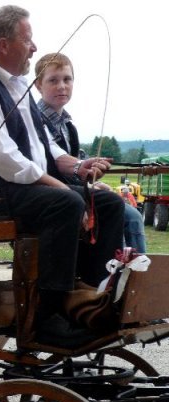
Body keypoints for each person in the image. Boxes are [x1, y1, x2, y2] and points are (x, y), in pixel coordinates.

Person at [0, 5, 124, 348]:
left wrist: (78, 171)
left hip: (17, 189)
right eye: (28, 39)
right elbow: (3, 157)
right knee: (65, 204)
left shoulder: (17, 86)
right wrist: (64, 188)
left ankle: (91, 299)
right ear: (3, 45)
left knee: (109, 204)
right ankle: (48, 317)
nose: (35, 47)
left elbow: (44, 146)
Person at [34, 52, 147, 253]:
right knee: (126, 215)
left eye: (67, 79)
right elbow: (52, 161)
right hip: (50, 194)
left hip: (71, 191)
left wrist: (91, 184)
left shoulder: (68, 126)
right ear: (38, 85)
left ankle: (133, 273)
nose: (62, 86)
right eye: (53, 80)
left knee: (133, 216)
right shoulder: (33, 120)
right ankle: (118, 274)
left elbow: (74, 166)